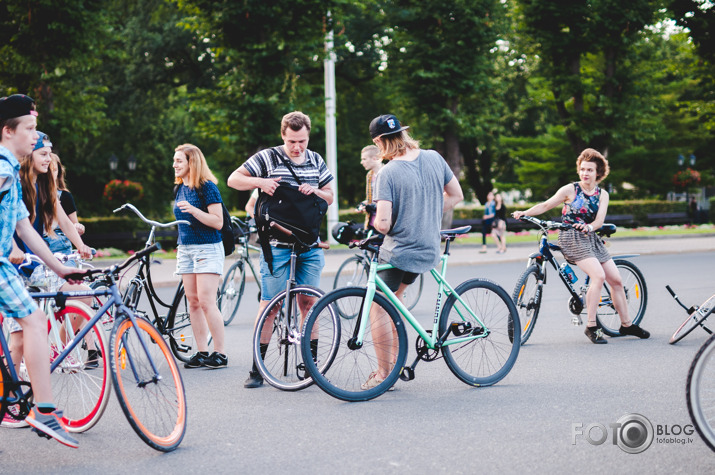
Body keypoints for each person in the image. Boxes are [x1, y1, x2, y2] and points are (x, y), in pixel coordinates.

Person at [0, 94, 85, 447]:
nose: (36, 137)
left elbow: (25, 229)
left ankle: (40, 407)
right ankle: (44, 410)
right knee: (34, 321)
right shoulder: (4, 171)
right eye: (30, 129)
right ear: (8, 131)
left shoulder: (10, 171)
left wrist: (61, 268)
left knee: (31, 321)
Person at [227, 111, 334, 388]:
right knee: (270, 306)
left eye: (302, 141)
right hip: (276, 245)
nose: (297, 147)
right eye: (291, 141)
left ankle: (310, 366)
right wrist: (259, 182)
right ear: (282, 136)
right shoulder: (268, 157)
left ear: (308, 136)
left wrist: (316, 191)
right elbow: (233, 179)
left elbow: (330, 196)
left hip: (309, 243)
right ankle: (257, 369)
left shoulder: (316, 160)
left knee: (309, 303)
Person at [363, 113, 463, 389]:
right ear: (404, 133)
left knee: (376, 306)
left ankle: (385, 373)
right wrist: (427, 215)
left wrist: (376, 222)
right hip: (427, 248)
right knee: (395, 297)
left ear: (378, 142)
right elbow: (456, 195)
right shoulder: (433, 157)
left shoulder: (387, 173)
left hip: (401, 251)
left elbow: (383, 224)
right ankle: (396, 361)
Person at [512, 148, 650, 344]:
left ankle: (626, 324)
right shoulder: (570, 190)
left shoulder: (603, 195)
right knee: (599, 276)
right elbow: (545, 205)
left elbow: (599, 221)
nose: (585, 173)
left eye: (590, 170)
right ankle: (591, 326)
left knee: (616, 280)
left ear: (598, 173)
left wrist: (588, 227)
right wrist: (524, 213)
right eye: (583, 169)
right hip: (571, 238)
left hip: (591, 237)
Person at [172, 143, 228, 369]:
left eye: (179, 161)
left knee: (206, 302)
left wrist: (195, 210)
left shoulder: (207, 187)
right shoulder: (179, 188)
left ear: (191, 163)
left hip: (207, 248)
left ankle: (220, 353)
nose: (174, 165)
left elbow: (218, 222)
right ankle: (202, 351)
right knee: (192, 302)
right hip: (185, 249)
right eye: (174, 160)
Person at [51, 153, 85, 238]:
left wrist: (79, 227)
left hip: (61, 243)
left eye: (54, 170)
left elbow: (75, 225)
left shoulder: (65, 196)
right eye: (48, 170)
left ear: (58, 172)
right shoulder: (32, 193)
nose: (51, 174)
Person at [358, 144, 382, 231]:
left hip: (385, 223)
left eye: (364, 159)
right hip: (371, 223)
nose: (361, 162)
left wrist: (373, 206)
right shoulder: (369, 175)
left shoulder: (387, 173)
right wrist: (364, 205)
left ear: (374, 158)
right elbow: (371, 198)